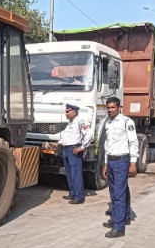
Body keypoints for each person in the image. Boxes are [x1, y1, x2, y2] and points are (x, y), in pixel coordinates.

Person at [102, 97, 139, 238]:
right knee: (116, 191)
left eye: (113, 107)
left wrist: (133, 163)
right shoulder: (108, 123)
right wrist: (105, 163)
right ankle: (125, 217)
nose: (110, 110)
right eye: (108, 108)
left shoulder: (126, 122)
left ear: (119, 108)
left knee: (118, 194)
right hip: (111, 161)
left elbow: (133, 142)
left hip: (122, 161)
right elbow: (107, 145)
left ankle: (119, 227)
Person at [58, 104, 93, 204]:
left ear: (75, 112)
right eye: (66, 112)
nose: (66, 113)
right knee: (69, 174)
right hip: (66, 150)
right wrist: (60, 143)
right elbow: (67, 137)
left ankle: (79, 196)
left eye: (68, 112)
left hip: (74, 150)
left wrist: (82, 147)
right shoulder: (70, 123)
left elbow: (89, 134)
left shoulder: (80, 121)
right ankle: (72, 193)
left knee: (76, 174)